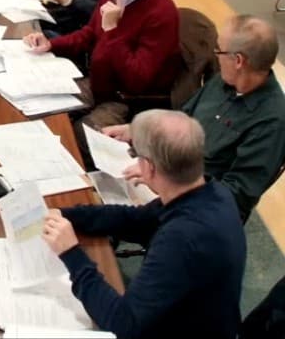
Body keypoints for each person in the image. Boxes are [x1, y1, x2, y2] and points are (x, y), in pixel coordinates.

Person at [42, 110, 246, 339]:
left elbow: (123, 324)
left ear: (148, 167)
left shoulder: (181, 238)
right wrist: (67, 214)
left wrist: (71, 254)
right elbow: (136, 220)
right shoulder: (210, 191)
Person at [105, 14, 285, 222]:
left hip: (200, 210)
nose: (215, 55)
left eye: (219, 50)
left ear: (238, 61)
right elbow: (182, 118)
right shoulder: (224, 81)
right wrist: (135, 130)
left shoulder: (272, 122)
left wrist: (168, 183)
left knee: (106, 216)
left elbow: (237, 195)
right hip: (168, 169)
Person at [23, 0, 181, 126]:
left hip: (124, 99)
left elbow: (137, 80)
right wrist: (51, 44)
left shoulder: (161, 12)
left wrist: (113, 30)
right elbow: (90, 33)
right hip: (97, 84)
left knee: (82, 138)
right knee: (37, 108)